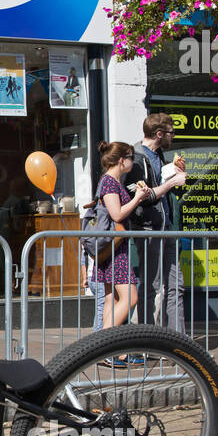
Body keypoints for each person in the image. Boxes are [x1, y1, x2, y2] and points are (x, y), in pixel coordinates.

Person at [123, 113, 188, 331]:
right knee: (151, 286)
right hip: (148, 229)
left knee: (176, 285)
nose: (174, 136)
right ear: (159, 134)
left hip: (166, 226)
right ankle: (148, 338)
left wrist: (173, 173)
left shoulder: (158, 154)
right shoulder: (136, 159)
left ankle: (177, 341)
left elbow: (158, 184)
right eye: (171, 132)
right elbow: (145, 196)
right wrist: (172, 183)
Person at [94, 141, 150, 356]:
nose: (132, 162)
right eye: (130, 158)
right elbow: (116, 214)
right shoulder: (109, 182)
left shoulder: (112, 181)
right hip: (115, 249)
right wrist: (137, 198)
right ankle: (102, 349)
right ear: (121, 160)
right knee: (130, 298)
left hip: (114, 247)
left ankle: (111, 352)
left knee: (112, 299)